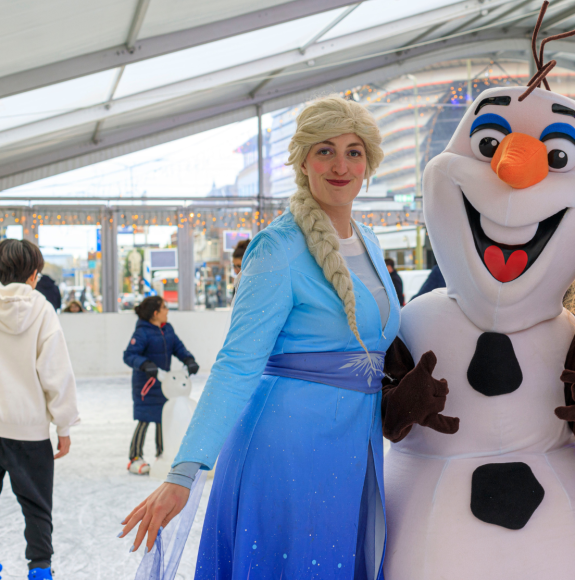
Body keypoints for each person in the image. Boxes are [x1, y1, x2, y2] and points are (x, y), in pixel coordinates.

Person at [120, 96, 400, 580]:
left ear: (369, 162)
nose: (341, 164)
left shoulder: (370, 241)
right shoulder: (278, 247)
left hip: (355, 445)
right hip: (288, 449)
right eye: (325, 150)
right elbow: (237, 363)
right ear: (302, 160)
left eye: (354, 151)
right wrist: (184, 472)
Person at [0, 239, 79, 580]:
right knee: (36, 507)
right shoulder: (42, 309)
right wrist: (64, 425)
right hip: (30, 430)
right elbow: (56, 371)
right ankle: (40, 571)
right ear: (34, 275)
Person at [122, 296, 198, 475]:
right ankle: (135, 457)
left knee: (162, 419)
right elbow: (129, 355)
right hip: (146, 385)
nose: (167, 310)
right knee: (144, 418)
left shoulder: (167, 329)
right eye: (164, 307)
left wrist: (189, 359)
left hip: (165, 384)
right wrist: (146, 364)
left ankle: (161, 453)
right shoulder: (142, 332)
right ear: (155, 313)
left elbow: (178, 347)